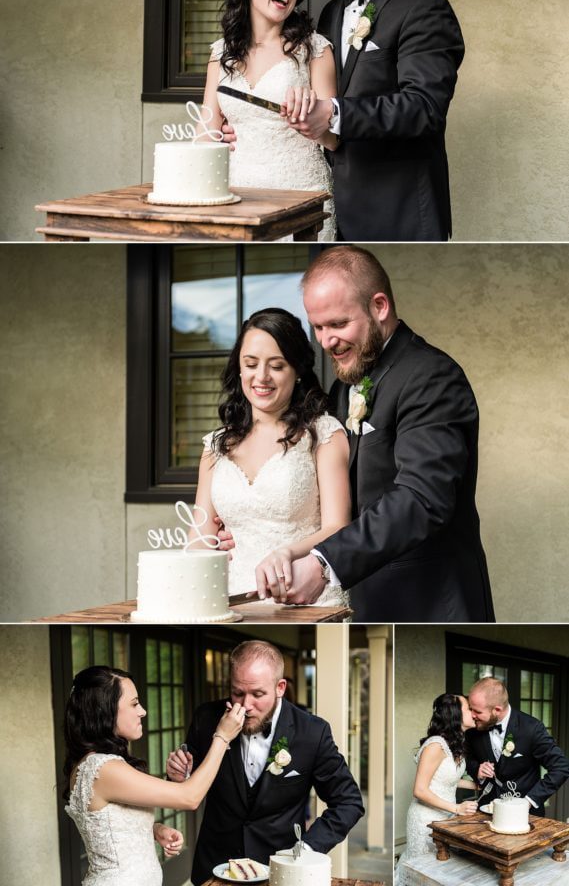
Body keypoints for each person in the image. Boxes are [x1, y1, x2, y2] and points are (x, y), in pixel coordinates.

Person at [263, 245, 495, 623]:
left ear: (380, 306)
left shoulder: (431, 376)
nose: (326, 341)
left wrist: (324, 564)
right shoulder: (345, 386)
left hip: (430, 603)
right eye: (318, 327)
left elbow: (421, 499)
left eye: (338, 324)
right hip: (369, 599)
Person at [284, 0, 465, 242]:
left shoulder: (424, 7)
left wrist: (335, 113)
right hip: (334, 212)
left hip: (399, 215)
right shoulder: (333, 12)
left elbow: (424, 108)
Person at [188, 307, 351, 608]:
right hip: (230, 602)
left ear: (298, 370)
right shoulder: (215, 446)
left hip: (307, 596)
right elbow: (199, 538)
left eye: (276, 366)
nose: (261, 377)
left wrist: (288, 553)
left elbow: (337, 527)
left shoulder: (324, 434)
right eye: (251, 364)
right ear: (239, 367)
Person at [166, 640, 364, 885]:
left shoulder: (312, 732)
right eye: (238, 692)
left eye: (257, 694)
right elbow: (188, 787)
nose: (246, 705)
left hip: (281, 872)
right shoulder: (206, 718)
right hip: (215, 867)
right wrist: (179, 777)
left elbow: (349, 802)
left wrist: (307, 850)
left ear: (280, 687)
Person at [63, 665, 245, 886]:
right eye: (134, 703)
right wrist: (222, 737)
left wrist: (154, 830)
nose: (143, 711)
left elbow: (110, 826)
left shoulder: (95, 764)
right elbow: (189, 797)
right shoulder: (104, 768)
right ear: (105, 710)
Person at [203, 0, 338, 240]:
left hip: (301, 194)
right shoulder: (220, 53)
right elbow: (205, 135)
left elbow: (334, 140)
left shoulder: (315, 48)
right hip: (235, 195)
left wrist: (311, 123)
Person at [396, 693, 478, 882]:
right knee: (425, 875)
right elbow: (420, 790)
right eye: (468, 709)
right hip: (426, 820)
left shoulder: (453, 743)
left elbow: (447, 779)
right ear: (455, 714)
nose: (473, 713)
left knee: (443, 873)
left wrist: (476, 786)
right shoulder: (435, 745)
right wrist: (457, 808)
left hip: (446, 819)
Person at [465, 677, 569, 815]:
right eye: (470, 708)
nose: (471, 715)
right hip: (486, 810)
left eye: (477, 711)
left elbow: (561, 767)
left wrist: (529, 801)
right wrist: (477, 769)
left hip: (526, 814)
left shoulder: (532, 728)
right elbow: (467, 757)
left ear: (497, 710)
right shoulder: (473, 729)